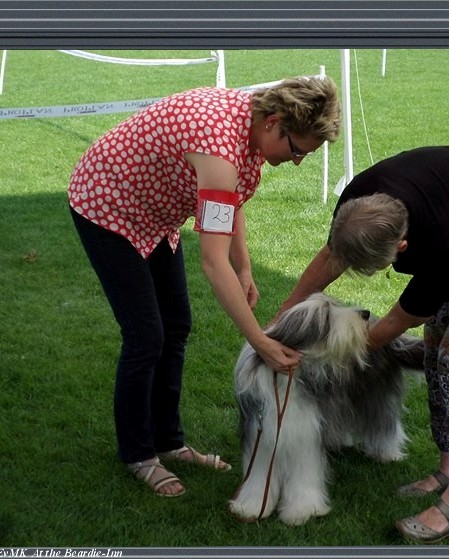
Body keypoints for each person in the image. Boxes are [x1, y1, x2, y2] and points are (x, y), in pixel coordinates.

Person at [68, 76, 341, 497]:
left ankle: (169, 442)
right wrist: (261, 342)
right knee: (145, 337)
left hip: (154, 213)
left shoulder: (247, 123)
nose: (299, 160)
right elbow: (213, 264)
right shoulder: (218, 147)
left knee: (175, 325)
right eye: (297, 150)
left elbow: (228, 201)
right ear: (274, 123)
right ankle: (139, 454)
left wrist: (246, 267)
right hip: (107, 205)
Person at [276, 146, 449, 543]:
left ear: (402, 249)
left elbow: (395, 322)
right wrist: (282, 320)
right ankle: (446, 469)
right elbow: (333, 254)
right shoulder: (359, 201)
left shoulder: (442, 244)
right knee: (435, 349)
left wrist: (344, 353)